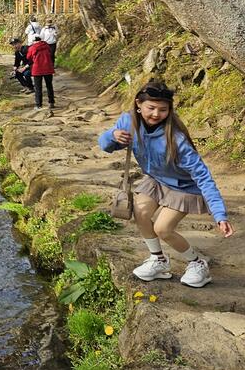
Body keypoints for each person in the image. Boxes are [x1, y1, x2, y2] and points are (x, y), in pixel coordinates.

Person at [98, 80, 233, 288]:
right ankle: (159, 260)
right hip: (156, 180)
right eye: (150, 108)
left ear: (169, 110)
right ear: (138, 104)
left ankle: (198, 264)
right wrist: (111, 136)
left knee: (163, 228)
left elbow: (203, 176)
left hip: (184, 188)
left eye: (162, 110)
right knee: (141, 212)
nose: (155, 114)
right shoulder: (128, 122)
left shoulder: (176, 140)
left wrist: (219, 214)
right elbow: (106, 146)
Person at [26, 33, 54, 109]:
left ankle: (39, 105)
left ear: (33, 40)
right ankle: (51, 102)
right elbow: (50, 53)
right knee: (49, 86)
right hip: (48, 68)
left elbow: (28, 57)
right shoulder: (47, 45)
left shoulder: (32, 48)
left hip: (37, 69)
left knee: (38, 88)